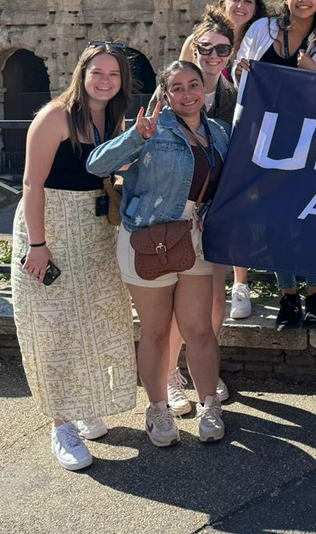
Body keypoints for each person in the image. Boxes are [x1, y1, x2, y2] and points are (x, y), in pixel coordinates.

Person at [87, 61, 230, 446]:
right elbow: (96, 163)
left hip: (196, 237)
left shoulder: (219, 133)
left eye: (193, 85)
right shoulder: (153, 128)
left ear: (204, 89)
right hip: (150, 238)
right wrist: (135, 137)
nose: (187, 94)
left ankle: (209, 406)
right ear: (165, 96)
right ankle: (158, 410)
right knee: (156, 331)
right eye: (178, 88)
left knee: (199, 330)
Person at [11, 43, 138, 470]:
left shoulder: (109, 118)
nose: (104, 80)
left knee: (97, 318)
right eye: (96, 72)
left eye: (113, 75)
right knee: (55, 324)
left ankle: (83, 402)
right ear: (81, 73)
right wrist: (37, 244)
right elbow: (32, 185)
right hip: (52, 225)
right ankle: (59, 422)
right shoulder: (55, 116)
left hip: (94, 228)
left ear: (121, 82)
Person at [234, 0, 316, 331]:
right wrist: (241, 73)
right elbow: (244, 81)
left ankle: (315, 294)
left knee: (313, 220)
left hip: (314, 147)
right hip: (267, 142)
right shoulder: (261, 30)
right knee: (276, 219)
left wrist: (314, 70)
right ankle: (288, 295)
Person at [149, 10, 237, 416]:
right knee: (172, 306)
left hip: (214, 208)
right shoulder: (174, 86)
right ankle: (169, 375)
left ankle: (198, 369)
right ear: (194, 48)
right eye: (206, 48)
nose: (214, 54)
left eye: (223, 48)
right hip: (173, 210)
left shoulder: (235, 89)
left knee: (213, 301)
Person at [183, 0, 268, 321]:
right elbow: (181, 79)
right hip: (202, 121)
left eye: (248, 1)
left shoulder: (259, 36)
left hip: (237, 124)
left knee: (237, 207)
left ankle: (241, 284)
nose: (241, 6)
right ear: (223, 1)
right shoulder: (200, 36)